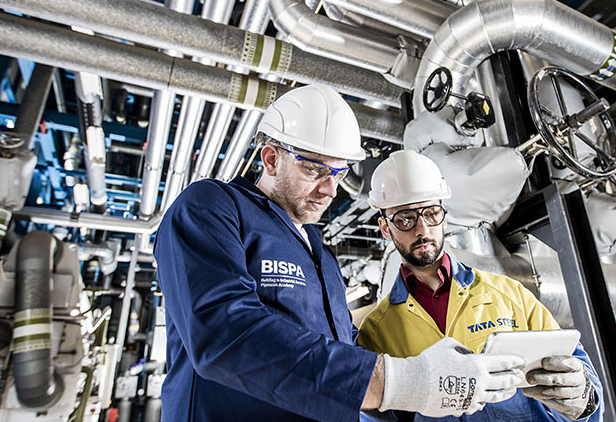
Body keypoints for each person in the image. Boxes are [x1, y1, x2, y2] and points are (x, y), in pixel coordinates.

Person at [154, 84, 529, 422]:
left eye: (339, 171)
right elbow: (226, 333)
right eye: (315, 169)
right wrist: (397, 381)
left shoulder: (320, 254)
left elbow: (343, 348)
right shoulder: (212, 207)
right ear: (270, 159)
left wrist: (437, 380)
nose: (330, 189)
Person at [358, 150, 603, 421]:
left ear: (445, 216)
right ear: (384, 227)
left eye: (431, 213)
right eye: (405, 219)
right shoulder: (375, 331)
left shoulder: (509, 294)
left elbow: (579, 377)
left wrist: (585, 399)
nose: (423, 230)